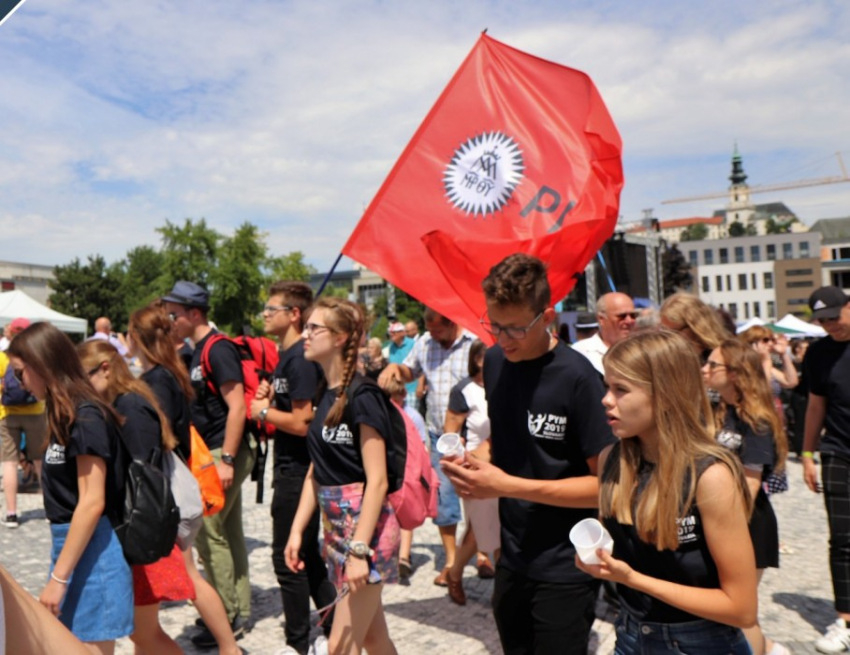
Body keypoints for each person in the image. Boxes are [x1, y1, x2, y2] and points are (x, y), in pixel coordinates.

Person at [442, 253, 614, 654]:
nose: (503, 339)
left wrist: (505, 485)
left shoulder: (579, 379)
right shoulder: (496, 362)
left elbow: (606, 488)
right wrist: (471, 463)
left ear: (547, 317)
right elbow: (504, 443)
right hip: (512, 556)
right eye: (494, 325)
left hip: (566, 562)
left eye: (516, 328)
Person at [578, 328, 757, 654]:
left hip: (702, 644)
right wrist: (596, 556)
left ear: (664, 394)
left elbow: (742, 608)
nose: (606, 400)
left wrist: (632, 579)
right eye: (607, 387)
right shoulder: (612, 460)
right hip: (630, 635)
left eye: (620, 389)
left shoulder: (710, 476)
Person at [7, 322, 133, 653]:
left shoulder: (86, 415)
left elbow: (92, 501)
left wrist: (58, 579)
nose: (19, 383)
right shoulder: (64, 413)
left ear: (41, 364)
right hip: (73, 547)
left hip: (94, 551)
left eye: (20, 373)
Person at [285, 297, 399, 655]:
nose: (304, 334)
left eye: (313, 328)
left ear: (339, 337)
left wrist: (359, 551)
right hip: (336, 530)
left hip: (366, 533)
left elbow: (377, 481)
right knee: (374, 639)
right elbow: (316, 471)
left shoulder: (362, 395)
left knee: (340, 647)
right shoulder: (326, 393)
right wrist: (297, 530)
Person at [128, 304, 243, 655]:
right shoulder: (170, 374)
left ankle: (229, 647)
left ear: (136, 338)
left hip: (163, 490)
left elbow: (157, 438)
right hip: (171, 484)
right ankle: (228, 646)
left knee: (190, 576)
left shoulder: (157, 381)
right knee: (187, 576)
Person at [77, 339, 196, 655]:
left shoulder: (130, 405)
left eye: (84, 377)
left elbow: (142, 474)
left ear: (105, 368)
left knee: (144, 634)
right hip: (137, 527)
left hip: (140, 528)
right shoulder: (127, 400)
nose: (81, 387)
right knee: (143, 634)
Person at [162, 280, 256, 645]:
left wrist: (227, 459)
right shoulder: (196, 350)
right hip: (214, 451)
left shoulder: (217, 349)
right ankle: (237, 608)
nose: (170, 320)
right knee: (228, 532)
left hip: (221, 452)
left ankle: (226, 618)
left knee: (209, 536)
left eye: (175, 314)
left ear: (195, 313)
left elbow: (237, 407)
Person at [248, 281, 336, 655]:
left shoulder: (300, 359)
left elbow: (302, 422)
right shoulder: (286, 356)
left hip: (299, 471)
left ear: (294, 314)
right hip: (289, 467)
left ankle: (297, 644)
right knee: (309, 557)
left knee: (288, 557)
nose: (265, 314)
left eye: (272, 309)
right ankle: (335, 626)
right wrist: (270, 399)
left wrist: (264, 412)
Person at [702, 338, 789, 655]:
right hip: (723, 518)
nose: (705, 369)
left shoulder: (756, 418)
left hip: (748, 521)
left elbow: (751, 484)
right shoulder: (720, 409)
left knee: (739, 613)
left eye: (713, 364)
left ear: (735, 373)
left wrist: (726, 528)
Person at [378, 308, 475, 587]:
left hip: (472, 434)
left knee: (478, 499)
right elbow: (410, 371)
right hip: (439, 435)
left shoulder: (473, 342)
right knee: (444, 500)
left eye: (437, 329)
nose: (432, 334)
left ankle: (482, 554)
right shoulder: (425, 343)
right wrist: (395, 369)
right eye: (429, 329)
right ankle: (451, 561)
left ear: (452, 323)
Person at [800, 287, 850, 653]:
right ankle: (845, 620)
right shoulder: (818, 353)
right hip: (838, 452)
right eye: (822, 320)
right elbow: (816, 406)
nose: (830, 324)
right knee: (843, 539)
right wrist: (806, 453)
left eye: (835, 316)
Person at [443, 339, 499, 605]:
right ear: (478, 360)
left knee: (502, 529)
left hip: (507, 466)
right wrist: (458, 462)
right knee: (479, 530)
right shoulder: (464, 390)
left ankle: (504, 592)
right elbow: (449, 434)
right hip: (475, 466)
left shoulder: (506, 384)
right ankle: (454, 574)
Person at [1, 317, 48, 528]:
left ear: (10, 332)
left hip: (8, 413)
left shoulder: (4, 357)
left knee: (9, 463)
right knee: (40, 461)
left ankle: (11, 514)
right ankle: (49, 509)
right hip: (35, 411)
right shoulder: (36, 355)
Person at [571, 292, 637, 375]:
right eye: (622, 316)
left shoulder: (642, 351)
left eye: (633, 315)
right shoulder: (580, 353)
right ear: (601, 319)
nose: (629, 321)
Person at [659, 292, 731, 362]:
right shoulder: (671, 361)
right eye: (663, 333)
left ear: (694, 328)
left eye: (673, 333)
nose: (667, 340)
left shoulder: (722, 359)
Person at [386, 322, 417, 411]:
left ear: (402, 333)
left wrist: (421, 385)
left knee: (411, 414)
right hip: (397, 390)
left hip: (412, 388)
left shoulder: (413, 344)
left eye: (394, 332)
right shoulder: (391, 347)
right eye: (390, 333)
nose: (391, 335)